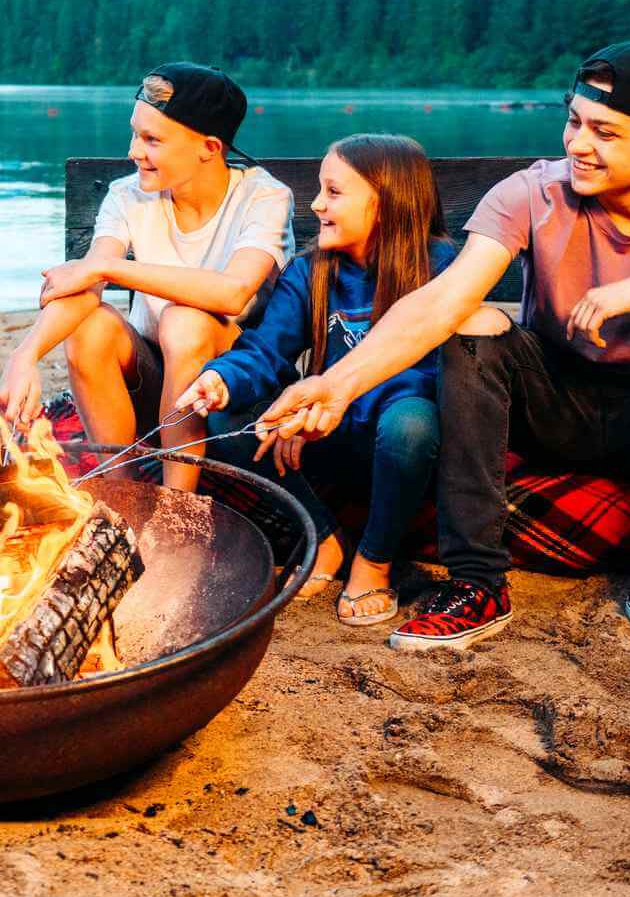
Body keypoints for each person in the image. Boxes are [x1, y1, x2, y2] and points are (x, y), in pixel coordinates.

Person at [259, 42, 630, 689]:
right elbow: (440, 302)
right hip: (553, 407)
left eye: (605, 133)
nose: (578, 145)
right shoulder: (534, 192)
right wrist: (335, 385)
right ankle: (478, 583)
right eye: (574, 121)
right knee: (473, 322)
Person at [177, 135, 454, 621]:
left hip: (401, 442)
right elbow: (265, 351)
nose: (316, 204)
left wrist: (336, 402)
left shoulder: (439, 267)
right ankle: (324, 539)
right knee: (228, 416)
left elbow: (436, 373)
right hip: (328, 439)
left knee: (412, 420)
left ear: (385, 203)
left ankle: (375, 560)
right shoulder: (310, 272)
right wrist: (221, 378)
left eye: (334, 192)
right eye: (319, 190)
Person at [0, 63, 293, 492]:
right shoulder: (128, 195)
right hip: (156, 386)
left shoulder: (263, 197)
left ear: (208, 147)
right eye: (135, 133)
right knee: (89, 326)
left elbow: (233, 293)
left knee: (183, 321)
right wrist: (24, 356)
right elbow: (85, 284)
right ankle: (122, 493)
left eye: (152, 139)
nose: (134, 151)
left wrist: (108, 267)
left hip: (237, 389)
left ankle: (176, 502)